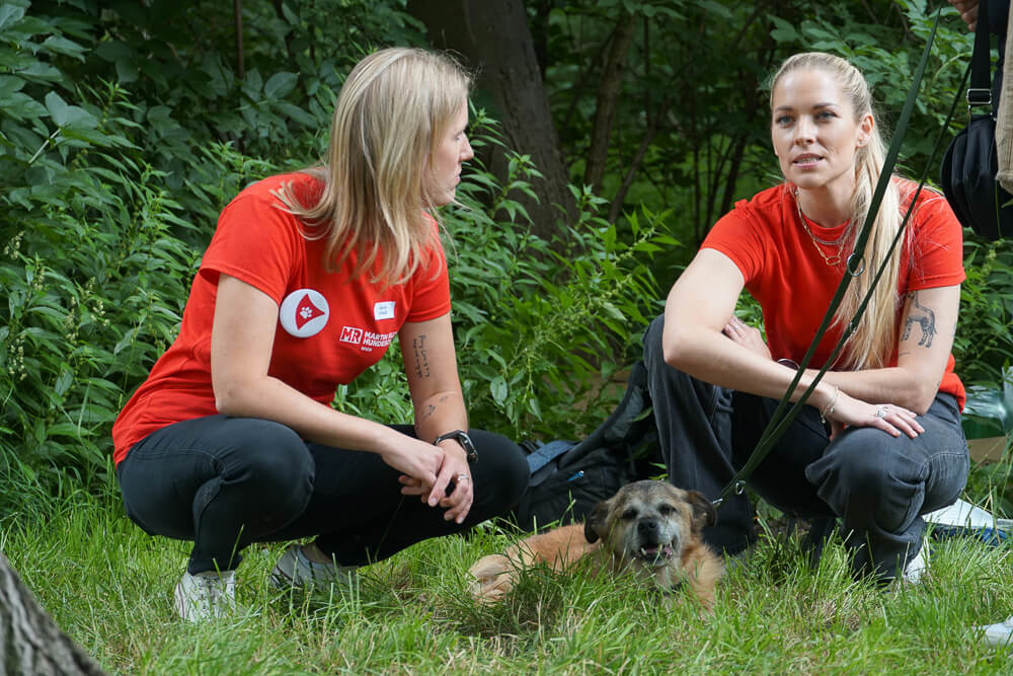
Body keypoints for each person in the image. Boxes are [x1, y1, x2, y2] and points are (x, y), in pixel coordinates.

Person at [112, 47, 529, 622]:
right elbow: (239, 390)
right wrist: (385, 440)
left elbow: (436, 396)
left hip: (292, 457)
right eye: (456, 135)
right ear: (407, 144)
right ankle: (207, 585)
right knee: (272, 451)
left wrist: (450, 446)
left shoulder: (419, 244)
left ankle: (314, 569)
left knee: (496, 466)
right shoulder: (271, 213)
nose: (468, 151)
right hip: (174, 448)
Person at [642, 51, 970, 585]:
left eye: (823, 116)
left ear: (863, 129)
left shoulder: (925, 217)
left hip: (911, 428)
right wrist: (818, 394)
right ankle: (716, 551)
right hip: (802, 424)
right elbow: (679, 339)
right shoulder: (756, 221)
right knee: (663, 341)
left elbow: (913, 386)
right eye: (786, 119)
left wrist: (790, 374)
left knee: (866, 463)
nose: (803, 135)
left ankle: (891, 552)